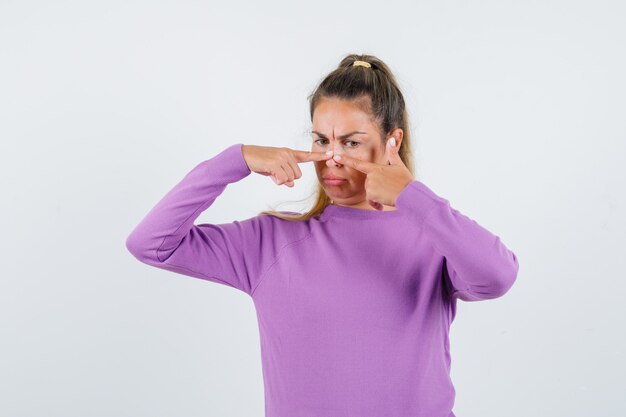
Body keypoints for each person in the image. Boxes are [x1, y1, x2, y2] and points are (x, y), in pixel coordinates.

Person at [125, 54, 520, 417]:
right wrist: (237, 159)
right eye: (321, 140)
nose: (331, 159)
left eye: (350, 142)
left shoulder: (434, 238)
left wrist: (411, 196)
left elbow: (497, 276)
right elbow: (151, 244)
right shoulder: (271, 242)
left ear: (391, 143)